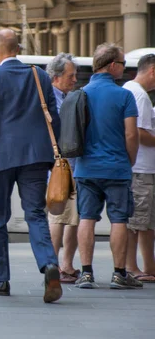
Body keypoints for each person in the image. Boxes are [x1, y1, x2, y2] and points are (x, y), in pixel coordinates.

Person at [0, 28, 62, 303]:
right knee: (35, 214)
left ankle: (2, 280)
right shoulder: (41, 76)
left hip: (1, 158)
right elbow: (54, 118)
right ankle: (49, 264)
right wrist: (54, 153)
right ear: (18, 49)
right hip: (36, 156)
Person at [74, 43, 142, 290]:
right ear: (112, 65)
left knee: (86, 218)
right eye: (123, 64)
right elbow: (131, 135)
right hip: (116, 167)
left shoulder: (80, 93)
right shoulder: (124, 95)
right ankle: (118, 273)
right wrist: (130, 159)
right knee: (119, 220)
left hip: (86, 168)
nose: (124, 69)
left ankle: (86, 273)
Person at [45, 53, 80, 283]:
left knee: (72, 216)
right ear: (56, 77)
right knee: (59, 216)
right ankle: (56, 266)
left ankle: (64, 264)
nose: (75, 80)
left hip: (66, 165)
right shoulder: (54, 100)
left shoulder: (64, 96)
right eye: (71, 76)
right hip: (62, 165)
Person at [122, 54, 155, 283]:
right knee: (136, 222)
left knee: (145, 222)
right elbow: (140, 133)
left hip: (140, 167)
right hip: (140, 168)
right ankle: (132, 267)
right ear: (152, 71)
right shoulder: (140, 95)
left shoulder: (130, 89)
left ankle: (145, 267)